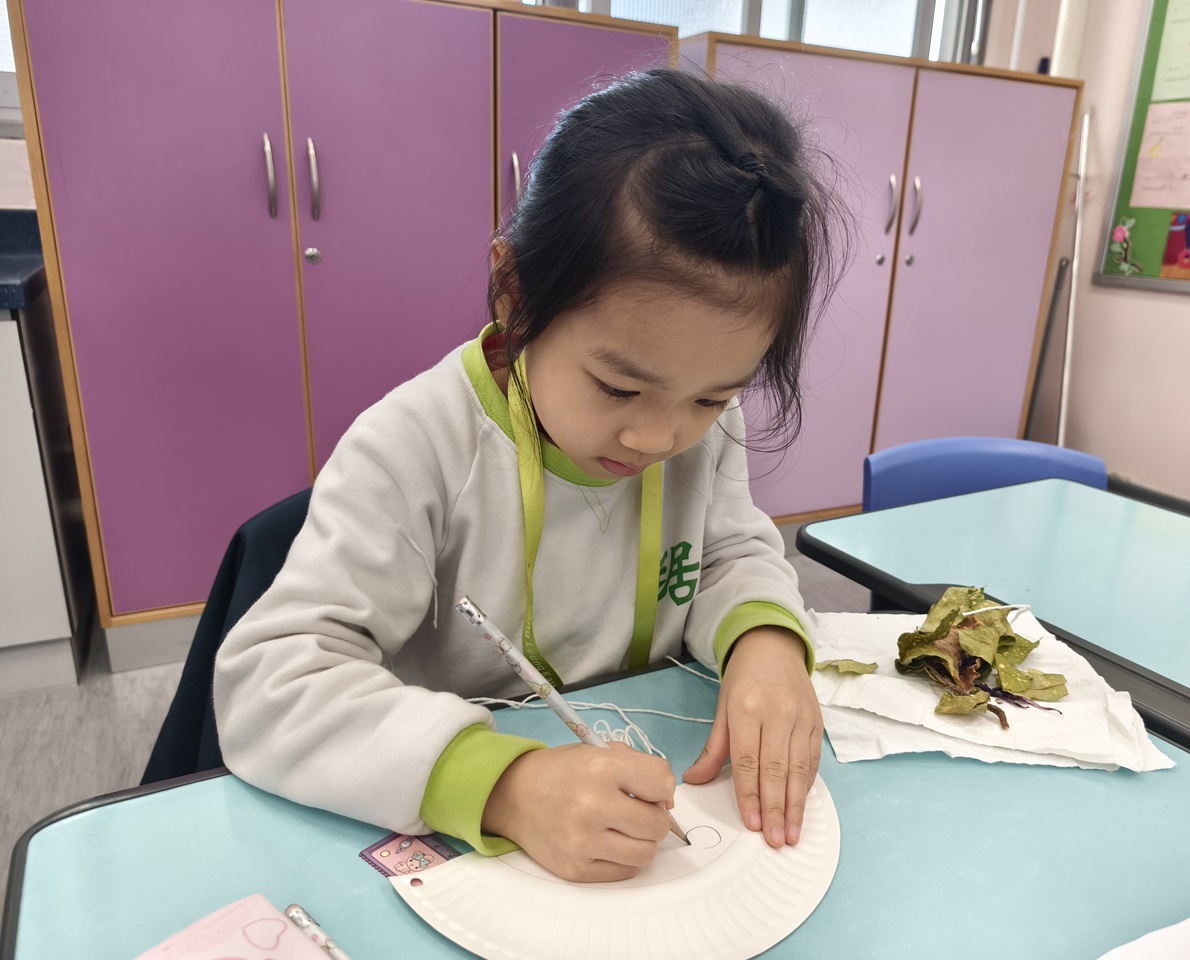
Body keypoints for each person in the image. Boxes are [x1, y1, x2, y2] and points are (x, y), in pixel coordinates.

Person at [214, 67, 845, 883]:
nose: (658, 437)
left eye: (711, 396)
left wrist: (765, 641)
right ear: (515, 293)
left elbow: (729, 552)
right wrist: (503, 786)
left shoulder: (707, 430)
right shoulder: (414, 446)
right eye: (617, 386)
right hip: (459, 835)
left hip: (644, 777)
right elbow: (267, 687)